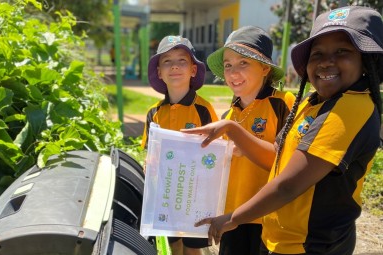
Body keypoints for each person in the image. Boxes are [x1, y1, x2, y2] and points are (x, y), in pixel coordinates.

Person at [182, 5, 382, 255]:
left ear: (367, 59)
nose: (326, 62)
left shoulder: (351, 107)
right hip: (280, 238)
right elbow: (278, 154)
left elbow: (288, 185)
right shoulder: (312, 103)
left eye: (342, 51)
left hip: (312, 244)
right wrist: (231, 129)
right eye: (317, 53)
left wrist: (232, 218)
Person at [206, 26, 295, 255]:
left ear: (265, 68)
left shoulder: (283, 103)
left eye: (243, 63)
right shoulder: (229, 114)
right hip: (231, 215)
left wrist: (243, 145)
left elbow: (285, 163)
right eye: (228, 65)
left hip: (267, 216)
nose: (233, 72)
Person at [141, 35, 218, 255]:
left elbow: (214, 155)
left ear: (193, 70)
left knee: (192, 248)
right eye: (167, 61)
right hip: (166, 194)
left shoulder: (204, 110)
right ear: (159, 72)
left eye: (182, 60)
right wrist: (149, 164)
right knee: (173, 245)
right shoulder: (154, 113)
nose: (174, 66)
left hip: (195, 194)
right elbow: (150, 153)